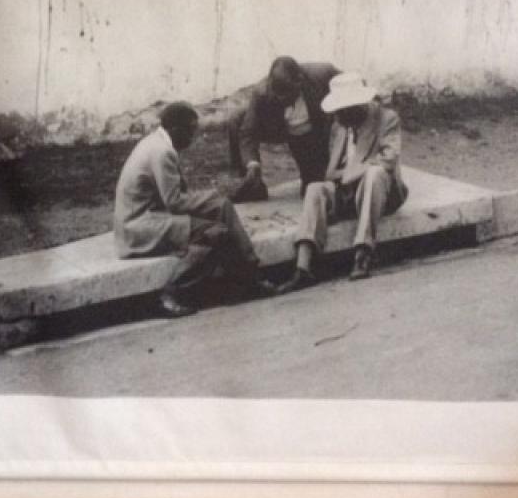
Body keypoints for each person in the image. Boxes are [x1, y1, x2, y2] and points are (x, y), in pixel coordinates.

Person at [114, 101, 275, 317]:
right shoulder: (162, 152)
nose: (193, 137)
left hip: (148, 217)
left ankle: (250, 275)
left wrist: (215, 200)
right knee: (216, 232)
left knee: (222, 207)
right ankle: (170, 294)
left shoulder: (157, 142)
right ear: (175, 129)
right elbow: (174, 202)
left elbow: (173, 198)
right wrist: (211, 196)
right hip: (139, 227)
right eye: (190, 131)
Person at [279, 72, 409, 291]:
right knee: (315, 189)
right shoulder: (340, 126)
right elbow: (331, 172)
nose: (339, 115)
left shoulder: (386, 119)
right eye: (338, 109)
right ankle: (303, 266)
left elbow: (388, 160)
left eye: (344, 109)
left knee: (374, 174)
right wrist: (344, 177)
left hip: (380, 192)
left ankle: (363, 253)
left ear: (359, 105)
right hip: (346, 192)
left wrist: (351, 173)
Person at [227, 57, 340, 201]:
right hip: (278, 128)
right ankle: (253, 186)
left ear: (299, 81)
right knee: (236, 120)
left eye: (288, 95)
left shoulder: (322, 73)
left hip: (312, 133)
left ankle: (312, 174)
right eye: (278, 96)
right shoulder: (262, 93)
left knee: (314, 189)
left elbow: (350, 84)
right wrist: (252, 164)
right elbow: (248, 132)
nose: (283, 100)